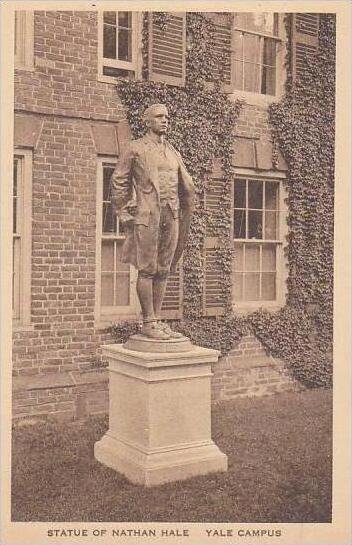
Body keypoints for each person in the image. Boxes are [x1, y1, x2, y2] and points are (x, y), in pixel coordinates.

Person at [111, 104, 195, 339]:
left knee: (164, 269)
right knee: (147, 269)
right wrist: (123, 212)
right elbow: (119, 181)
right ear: (147, 121)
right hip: (148, 216)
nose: (165, 120)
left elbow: (184, 185)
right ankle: (148, 321)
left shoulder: (172, 151)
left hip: (172, 213)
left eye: (167, 116)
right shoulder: (135, 148)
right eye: (159, 117)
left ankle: (157, 320)